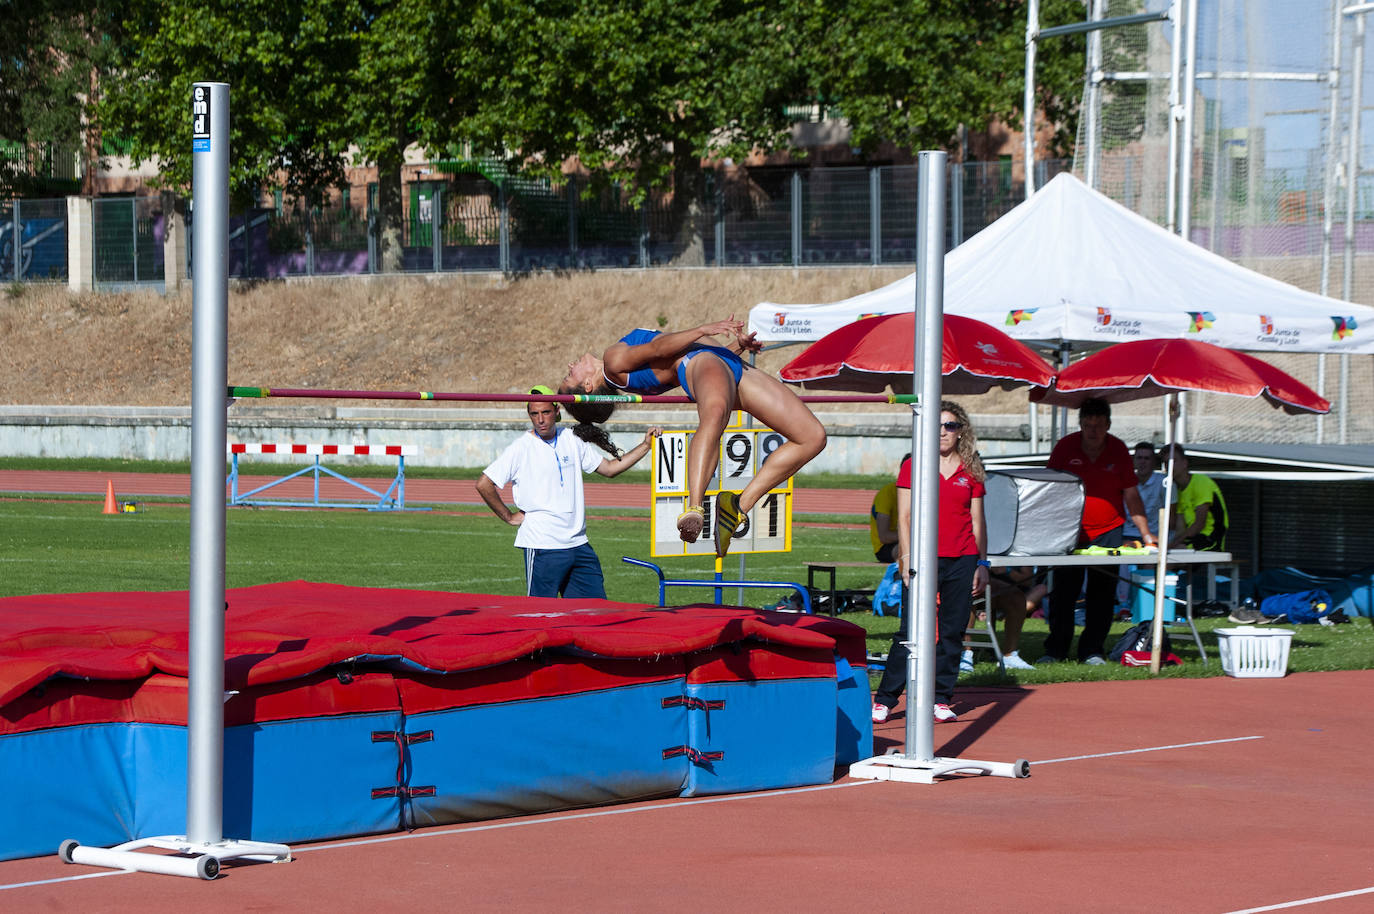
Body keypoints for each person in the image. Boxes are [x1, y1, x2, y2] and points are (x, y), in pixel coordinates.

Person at [560, 316, 827, 558]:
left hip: (725, 363)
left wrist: (738, 345)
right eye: (569, 374)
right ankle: (695, 508)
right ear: (587, 386)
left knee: (812, 437)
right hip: (704, 364)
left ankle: (737, 506)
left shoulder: (619, 368)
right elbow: (660, 349)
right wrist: (702, 329)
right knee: (714, 415)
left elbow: (670, 356)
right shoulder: (613, 361)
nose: (571, 365)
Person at [477, 385, 662, 598]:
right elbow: (484, 483)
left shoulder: (572, 439)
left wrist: (646, 446)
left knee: (595, 613)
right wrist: (508, 517)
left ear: (557, 411)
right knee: (540, 615)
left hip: (579, 545)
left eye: (546, 412)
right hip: (542, 545)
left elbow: (610, 469)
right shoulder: (520, 448)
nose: (540, 420)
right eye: (534, 414)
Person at [872, 401, 989, 725]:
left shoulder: (972, 469)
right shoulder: (914, 465)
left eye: (950, 425)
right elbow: (905, 518)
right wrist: (906, 559)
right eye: (937, 425)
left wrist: (983, 563)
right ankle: (885, 699)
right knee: (910, 631)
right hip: (923, 559)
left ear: (960, 430)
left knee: (952, 631)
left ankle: (940, 697)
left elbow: (978, 522)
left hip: (963, 558)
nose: (943, 432)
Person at [1039, 398, 1155, 665]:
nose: (1092, 431)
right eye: (1087, 425)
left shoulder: (1118, 449)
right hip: (1069, 532)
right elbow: (1050, 488)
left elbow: (1132, 495)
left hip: (1109, 531)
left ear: (1108, 425)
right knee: (1063, 593)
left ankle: (1092, 650)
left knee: (1102, 593)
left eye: (1098, 425)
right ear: (1080, 424)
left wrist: (1146, 534)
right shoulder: (1065, 447)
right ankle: (1055, 650)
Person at [1163, 444, 1228, 551]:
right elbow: (1180, 528)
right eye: (1166, 463)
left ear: (1185, 463)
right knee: (1164, 557)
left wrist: (1174, 544)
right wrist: (1170, 545)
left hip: (1211, 538)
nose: (1170, 466)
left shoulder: (1201, 482)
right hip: (1193, 539)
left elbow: (1199, 524)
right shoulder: (1177, 490)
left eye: (1174, 461)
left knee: (1172, 558)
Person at [1122, 441, 1169, 543]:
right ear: (1133, 460)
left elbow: (1171, 516)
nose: (1142, 462)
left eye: (1147, 458)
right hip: (1126, 536)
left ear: (1154, 462)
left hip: (1154, 537)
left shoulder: (1164, 482)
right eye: (1139, 458)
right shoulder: (1124, 480)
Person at [869, 453, 909, 563]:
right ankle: (901, 578)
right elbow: (884, 536)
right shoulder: (887, 493)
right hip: (886, 547)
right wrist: (912, 536)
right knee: (906, 550)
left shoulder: (925, 493)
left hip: (910, 541)